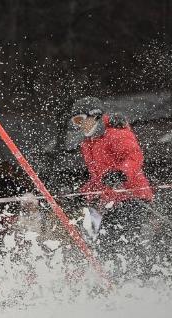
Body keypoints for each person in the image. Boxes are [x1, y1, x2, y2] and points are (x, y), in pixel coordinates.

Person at [69, 96, 155, 262]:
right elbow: (99, 179)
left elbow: (134, 157)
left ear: (94, 115)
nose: (79, 125)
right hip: (114, 201)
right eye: (75, 122)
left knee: (119, 239)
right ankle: (116, 275)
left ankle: (141, 274)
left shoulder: (115, 133)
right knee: (106, 242)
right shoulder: (88, 144)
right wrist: (83, 195)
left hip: (133, 197)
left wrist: (121, 173)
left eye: (80, 119)